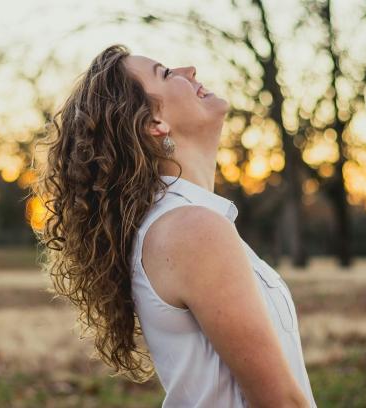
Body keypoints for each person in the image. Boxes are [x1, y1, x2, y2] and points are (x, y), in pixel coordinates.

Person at [31, 43, 317, 407]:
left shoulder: (180, 222)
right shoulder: (191, 229)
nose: (190, 69)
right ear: (155, 123)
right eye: (166, 74)